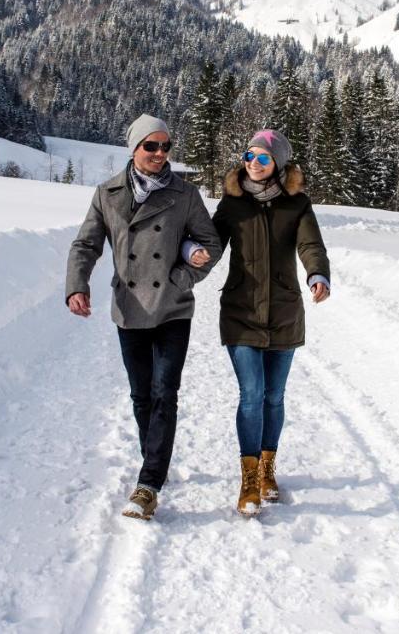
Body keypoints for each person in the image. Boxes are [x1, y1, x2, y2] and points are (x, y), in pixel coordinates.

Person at [66, 114, 222, 520]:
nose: (159, 153)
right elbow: (86, 244)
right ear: (133, 148)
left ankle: (149, 481)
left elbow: (210, 242)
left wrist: (182, 277)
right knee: (141, 396)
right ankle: (154, 458)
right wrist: (76, 285)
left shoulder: (185, 194)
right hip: (129, 307)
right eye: (150, 146)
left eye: (165, 147)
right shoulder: (107, 193)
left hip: (172, 308)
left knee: (164, 392)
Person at [186, 129, 330, 516]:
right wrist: (195, 256)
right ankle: (248, 478)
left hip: (284, 311)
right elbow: (212, 243)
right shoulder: (233, 205)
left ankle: (268, 468)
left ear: (278, 163)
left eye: (263, 158)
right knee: (252, 394)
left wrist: (318, 274)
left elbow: (311, 245)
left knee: (274, 396)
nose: (253, 162)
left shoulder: (297, 204)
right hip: (241, 311)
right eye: (250, 155)